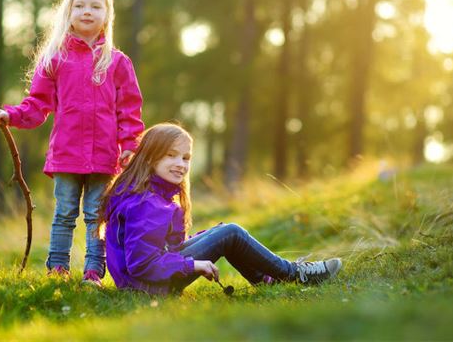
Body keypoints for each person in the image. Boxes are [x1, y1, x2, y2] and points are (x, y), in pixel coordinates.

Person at [0, 0, 144, 287]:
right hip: (66, 154)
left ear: (107, 15)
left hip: (103, 157)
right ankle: (57, 271)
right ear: (68, 12)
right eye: (80, 5)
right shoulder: (54, 58)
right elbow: (37, 105)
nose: (87, 11)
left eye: (95, 6)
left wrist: (130, 144)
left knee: (96, 216)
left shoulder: (116, 61)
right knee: (64, 214)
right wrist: (11, 115)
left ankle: (93, 273)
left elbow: (129, 110)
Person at [102, 123, 342, 295]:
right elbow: (142, 264)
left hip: (143, 283)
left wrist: (204, 242)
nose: (180, 164)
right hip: (147, 287)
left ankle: (268, 280)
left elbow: (165, 248)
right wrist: (192, 264)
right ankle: (294, 274)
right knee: (230, 233)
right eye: (171, 156)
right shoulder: (146, 204)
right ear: (150, 158)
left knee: (224, 232)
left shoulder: (151, 195)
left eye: (185, 158)